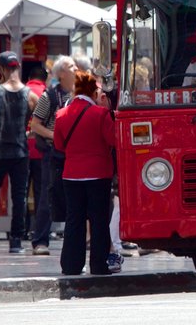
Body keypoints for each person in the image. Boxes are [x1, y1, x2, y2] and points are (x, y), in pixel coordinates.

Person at [54, 71, 116, 276]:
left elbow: (59, 144)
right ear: (93, 91)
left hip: (71, 175)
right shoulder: (100, 114)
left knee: (74, 219)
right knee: (99, 220)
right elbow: (113, 140)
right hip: (98, 174)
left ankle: (71, 265)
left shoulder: (61, 115)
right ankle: (99, 265)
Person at [0, 51, 38, 255]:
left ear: (2, 69)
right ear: (17, 68)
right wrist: (27, 132)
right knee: (19, 197)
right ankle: (16, 241)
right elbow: (39, 121)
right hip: (20, 151)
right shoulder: (31, 95)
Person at [29, 56, 77, 255]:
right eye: (71, 66)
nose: (76, 68)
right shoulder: (49, 96)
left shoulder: (79, 94)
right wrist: (55, 136)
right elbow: (35, 124)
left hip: (73, 152)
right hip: (53, 152)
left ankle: (74, 238)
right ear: (62, 73)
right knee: (47, 197)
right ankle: (40, 240)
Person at [24, 64, 48, 240]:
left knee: (22, 191)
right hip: (40, 149)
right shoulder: (46, 94)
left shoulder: (23, 91)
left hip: (22, 148)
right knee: (41, 191)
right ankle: (38, 229)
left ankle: (21, 229)